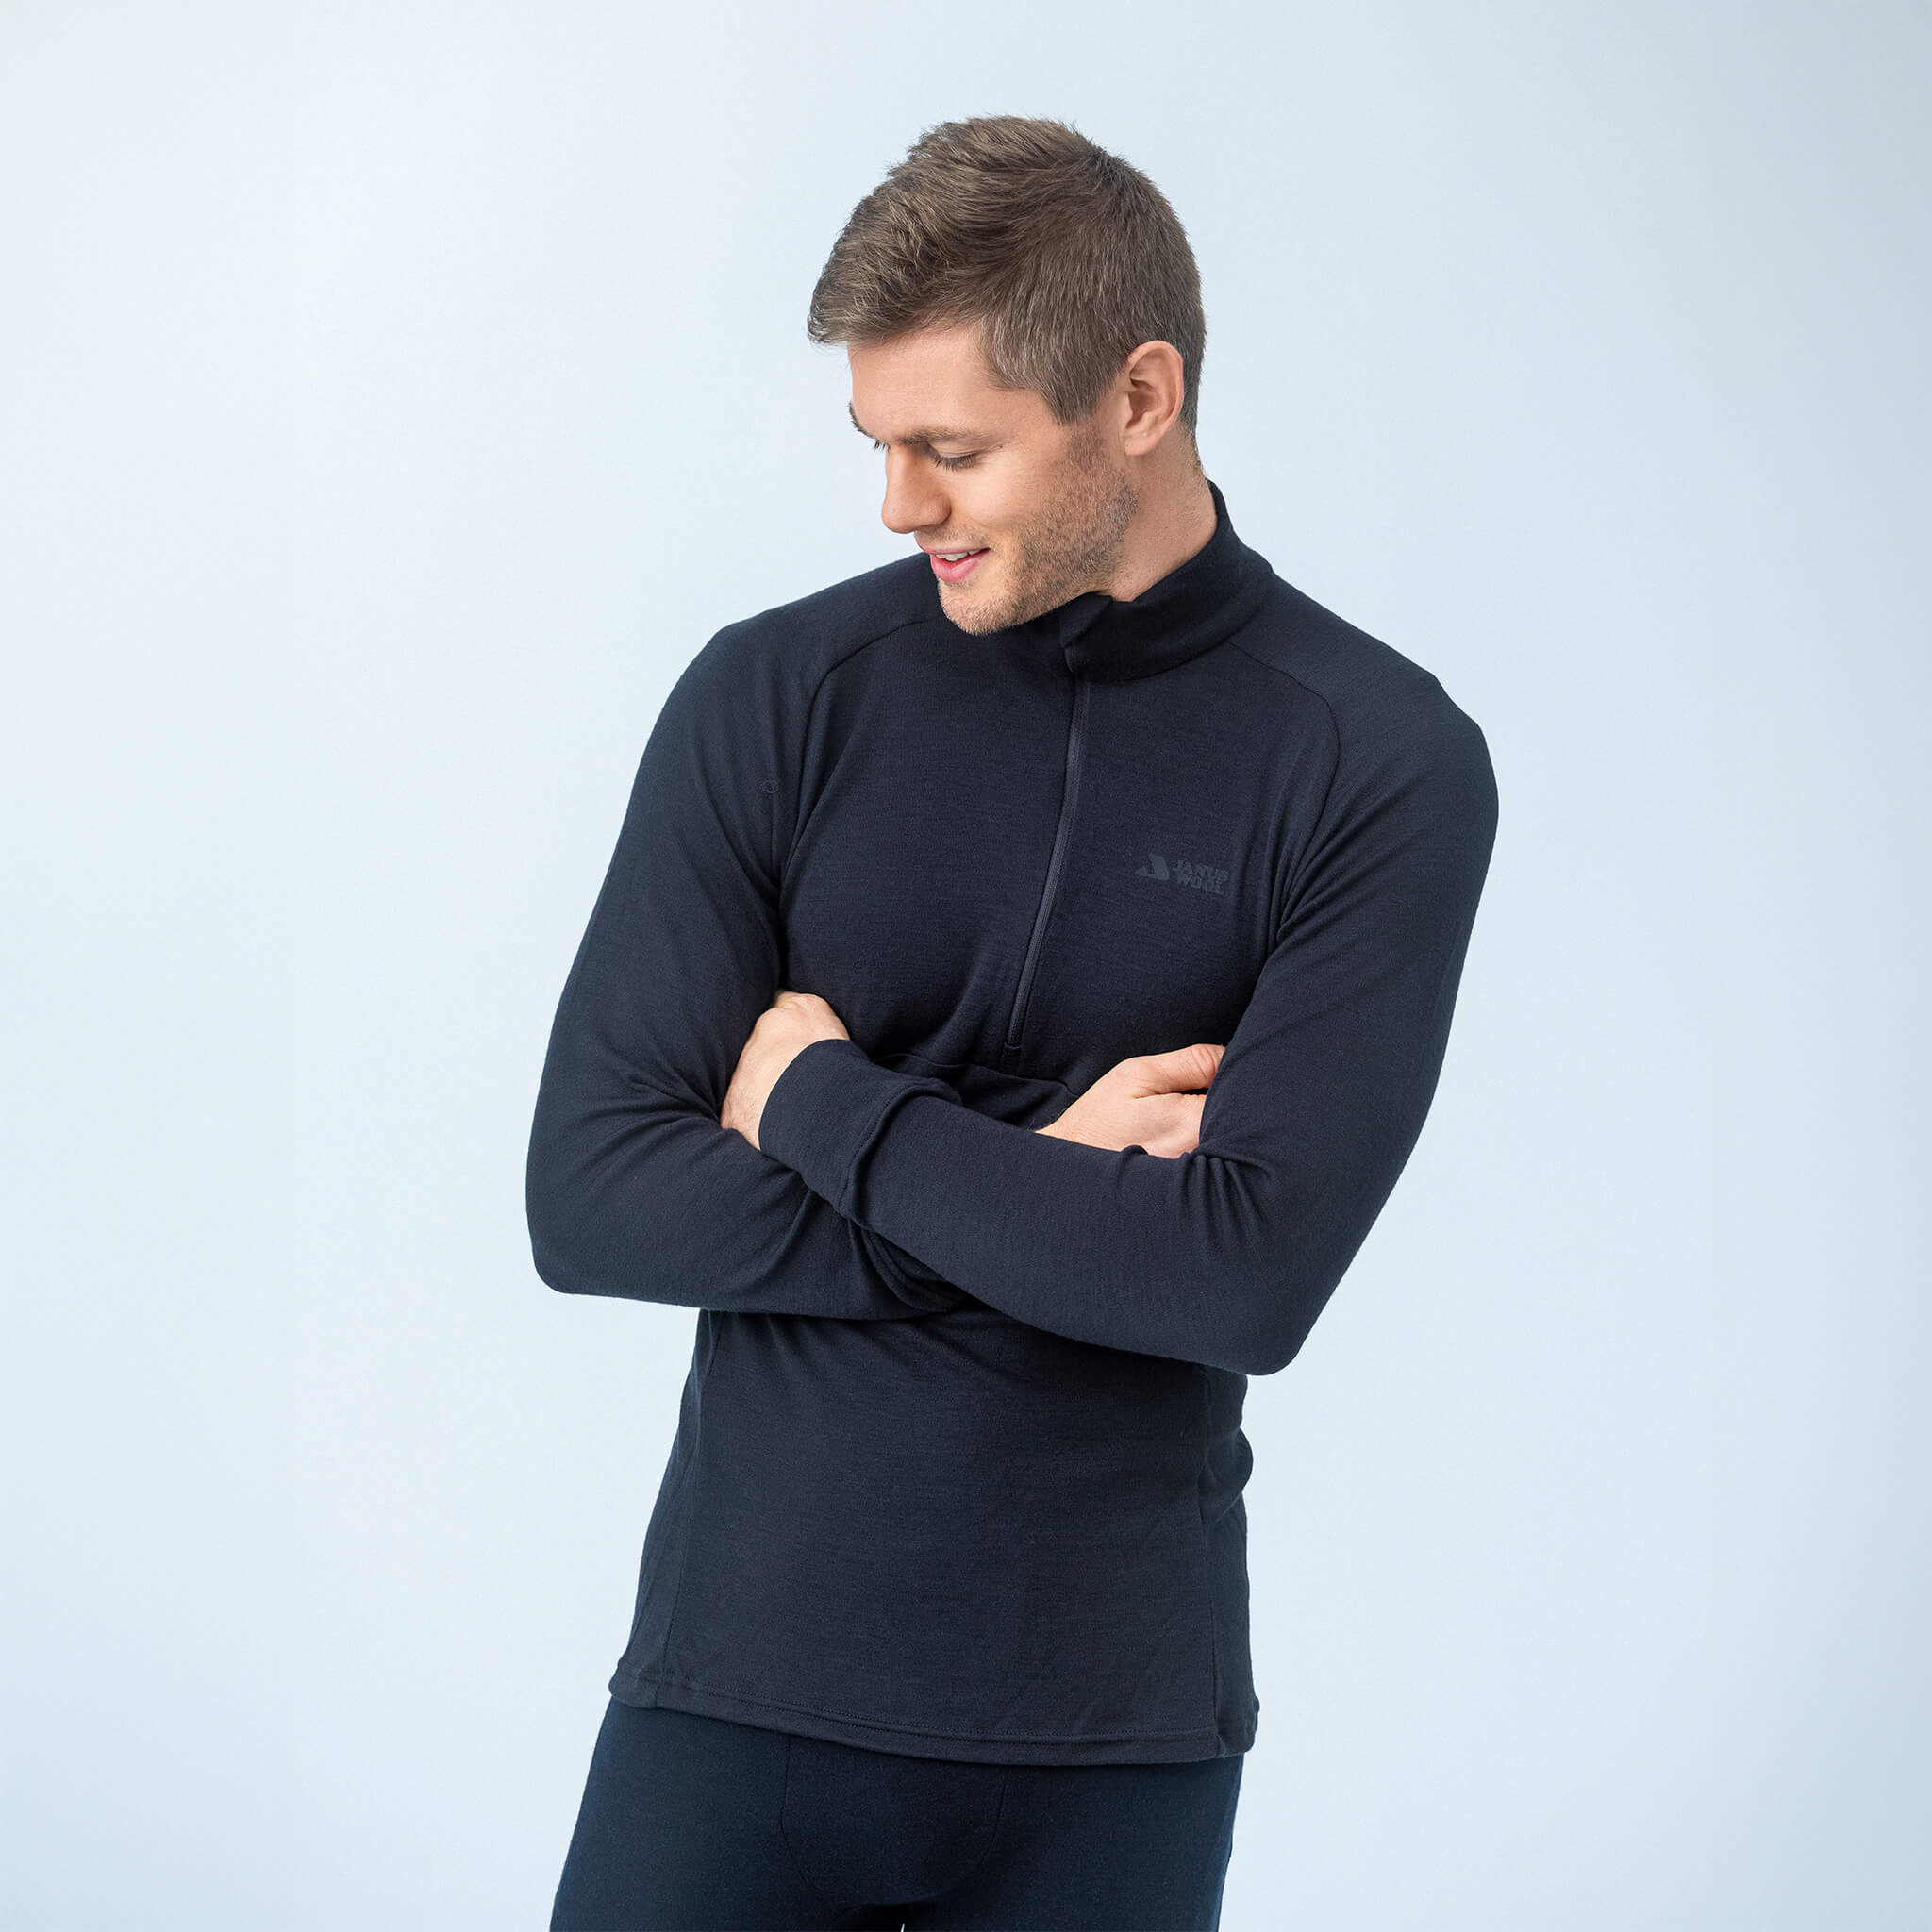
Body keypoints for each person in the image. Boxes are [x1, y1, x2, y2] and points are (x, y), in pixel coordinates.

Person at [528, 114, 1498, 1930]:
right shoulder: (775, 695)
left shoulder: (1379, 763)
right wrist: (1045, 1183)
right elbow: (589, 1199)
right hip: (735, 1700)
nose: (899, 506)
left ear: (1139, 396)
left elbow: (1237, 1279)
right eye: (878, 445)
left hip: (1109, 1748)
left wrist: (824, 1103)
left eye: (950, 449)